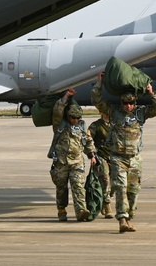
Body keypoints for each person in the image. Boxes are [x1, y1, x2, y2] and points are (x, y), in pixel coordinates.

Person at [92, 72, 156, 234]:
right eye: (125, 103)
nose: (128, 106)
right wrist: (99, 83)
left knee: (133, 191)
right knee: (120, 187)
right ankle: (122, 219)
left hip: (135, 159)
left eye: (131, 103)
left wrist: (151, 93)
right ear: (121, 102)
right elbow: (97, 101)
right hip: (118, 158)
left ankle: (129, 216)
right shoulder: (114, 113)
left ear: (134, 102)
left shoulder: (140, 114)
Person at [50, 88, 97, 222]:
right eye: (73, 117)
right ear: (67, 116)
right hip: (61, 162)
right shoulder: (59, 124)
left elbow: (88, 141)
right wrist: (66, 97)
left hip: (76, 161)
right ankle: (61, 210)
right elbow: (57, 110)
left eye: (78, 118)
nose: (75, 120)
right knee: (61, 188)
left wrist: (92, 155)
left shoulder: (82, 126)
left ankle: (81, 211)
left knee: (78, 185)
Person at [87, 112, 115, 219]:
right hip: (101, 157)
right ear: (100, 112)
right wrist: (92, 154)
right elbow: (88, 139)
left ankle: (104, 200)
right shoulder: (96, 125)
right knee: (105, 180)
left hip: (115, 157)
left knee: (115, 183)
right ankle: (107, 206)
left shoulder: (116, 124)